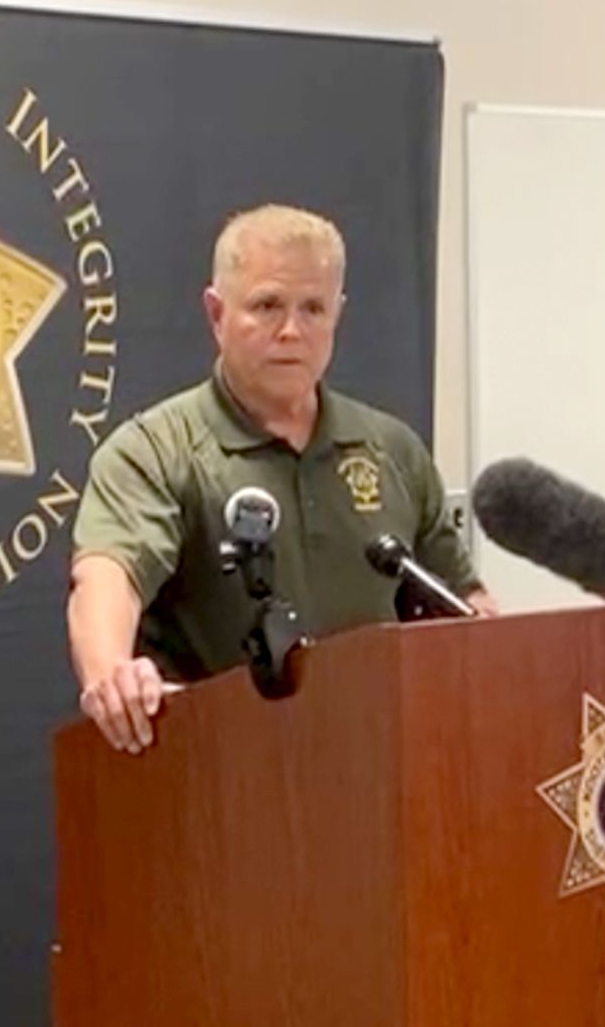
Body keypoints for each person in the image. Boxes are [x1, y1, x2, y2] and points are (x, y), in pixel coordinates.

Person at [67, 204, 498, 754]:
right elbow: (108, 576)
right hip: (218, 771)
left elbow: (463, 602)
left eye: (313, 308)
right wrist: (111, 675)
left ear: (338, 314)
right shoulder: (155, 450)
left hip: (378, 765)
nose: (292, 331)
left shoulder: (392, 450)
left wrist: (498, 653)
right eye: (267, 305)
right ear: (217, 314)